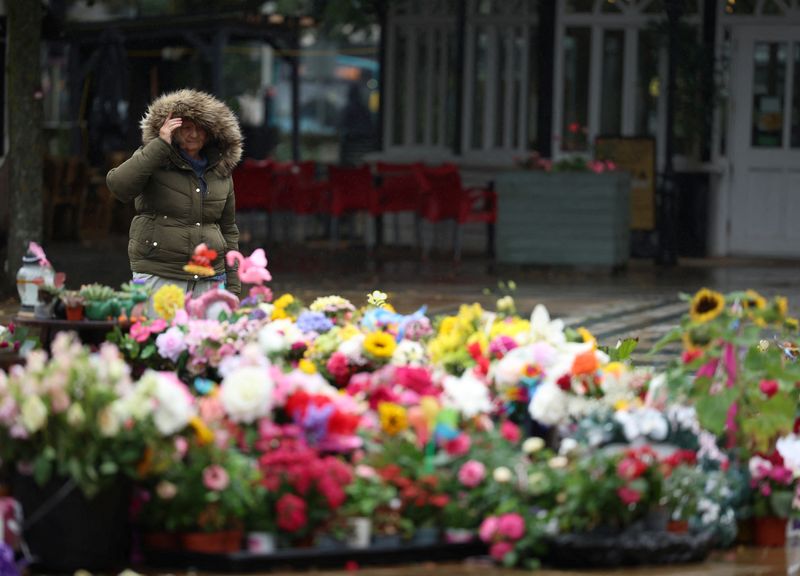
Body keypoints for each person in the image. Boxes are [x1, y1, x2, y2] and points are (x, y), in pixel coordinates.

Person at [107, 88, 242, 314]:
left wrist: (234, 285)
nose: (194, 134)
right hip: (160, 270)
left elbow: (229, 229)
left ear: (210, 133)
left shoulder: (221, 171)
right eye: (186, 127)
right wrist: (159, 144)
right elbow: (119, 186)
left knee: (209, 345)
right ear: (173, 129)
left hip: (210, 275)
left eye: (200, 128)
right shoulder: (154, 159)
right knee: (158, 341)